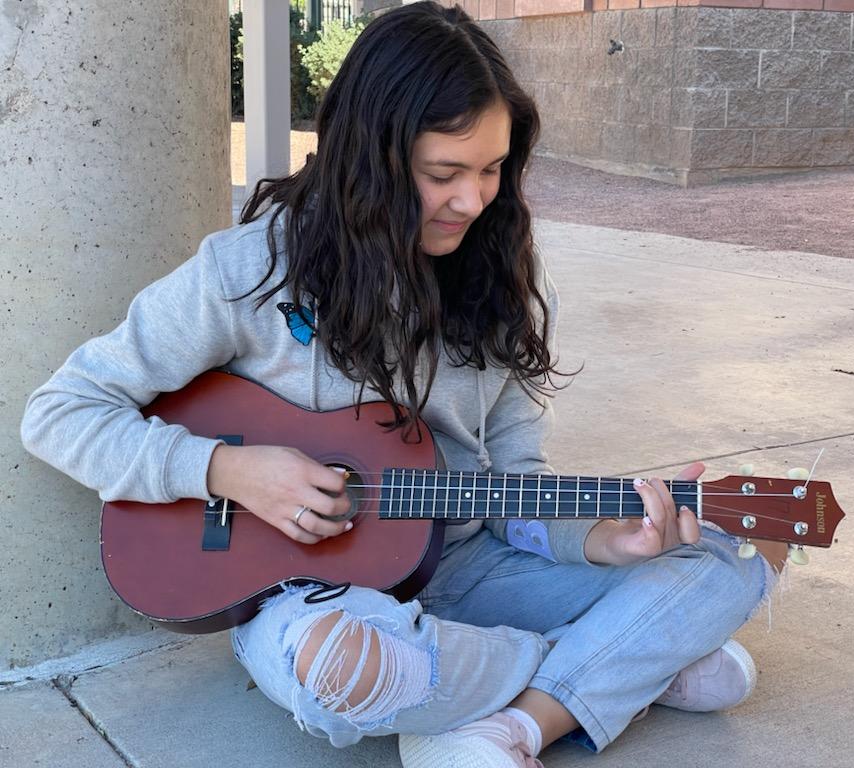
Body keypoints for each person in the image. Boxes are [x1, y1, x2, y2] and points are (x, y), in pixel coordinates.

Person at [21, 3, 784, 766]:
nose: (473, 200)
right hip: (307, 596)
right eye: (443, 174)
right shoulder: (247, 273)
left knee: (736, 558)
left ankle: (513, 723)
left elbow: (513, 487)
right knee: (343, 671)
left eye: (492, 170)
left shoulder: (496, 281)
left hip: (466, 568)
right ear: (370, 158)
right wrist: (227, 471)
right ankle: (625, 664)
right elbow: (59, 413)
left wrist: (603, 542)